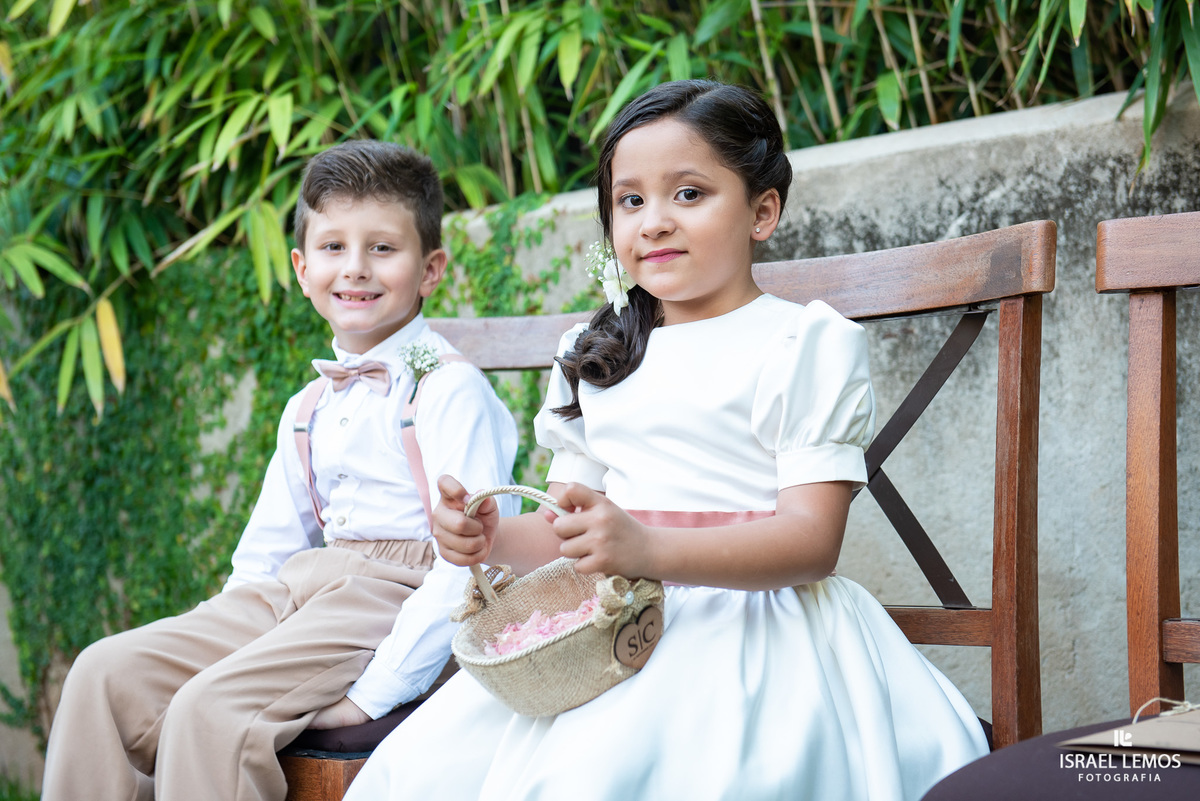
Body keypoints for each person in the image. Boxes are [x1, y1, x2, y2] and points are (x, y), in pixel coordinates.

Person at [344, 80, 989, 801]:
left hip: (758, 633)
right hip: (605, 630)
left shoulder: (802, 343)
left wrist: (644, 548)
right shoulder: (598, 355)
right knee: (426, 770)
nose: (653, 222)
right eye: (630, 200)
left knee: (608, 774)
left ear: (762, 211)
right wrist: (492, 536)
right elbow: (571, 532)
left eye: (688, 193)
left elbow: (812, 541)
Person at [41, 140, 520, 801]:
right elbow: (266, 553)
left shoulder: (446, 387)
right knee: (103, 673)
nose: (355, 267)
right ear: (301, 267)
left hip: (392, 593)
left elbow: (472, 563)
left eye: (383, 247)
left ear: (430, 268)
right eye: (333, 247)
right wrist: (226, 633)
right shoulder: (308, 405)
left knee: (209, 710)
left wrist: (373, 695)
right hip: (298, 592)